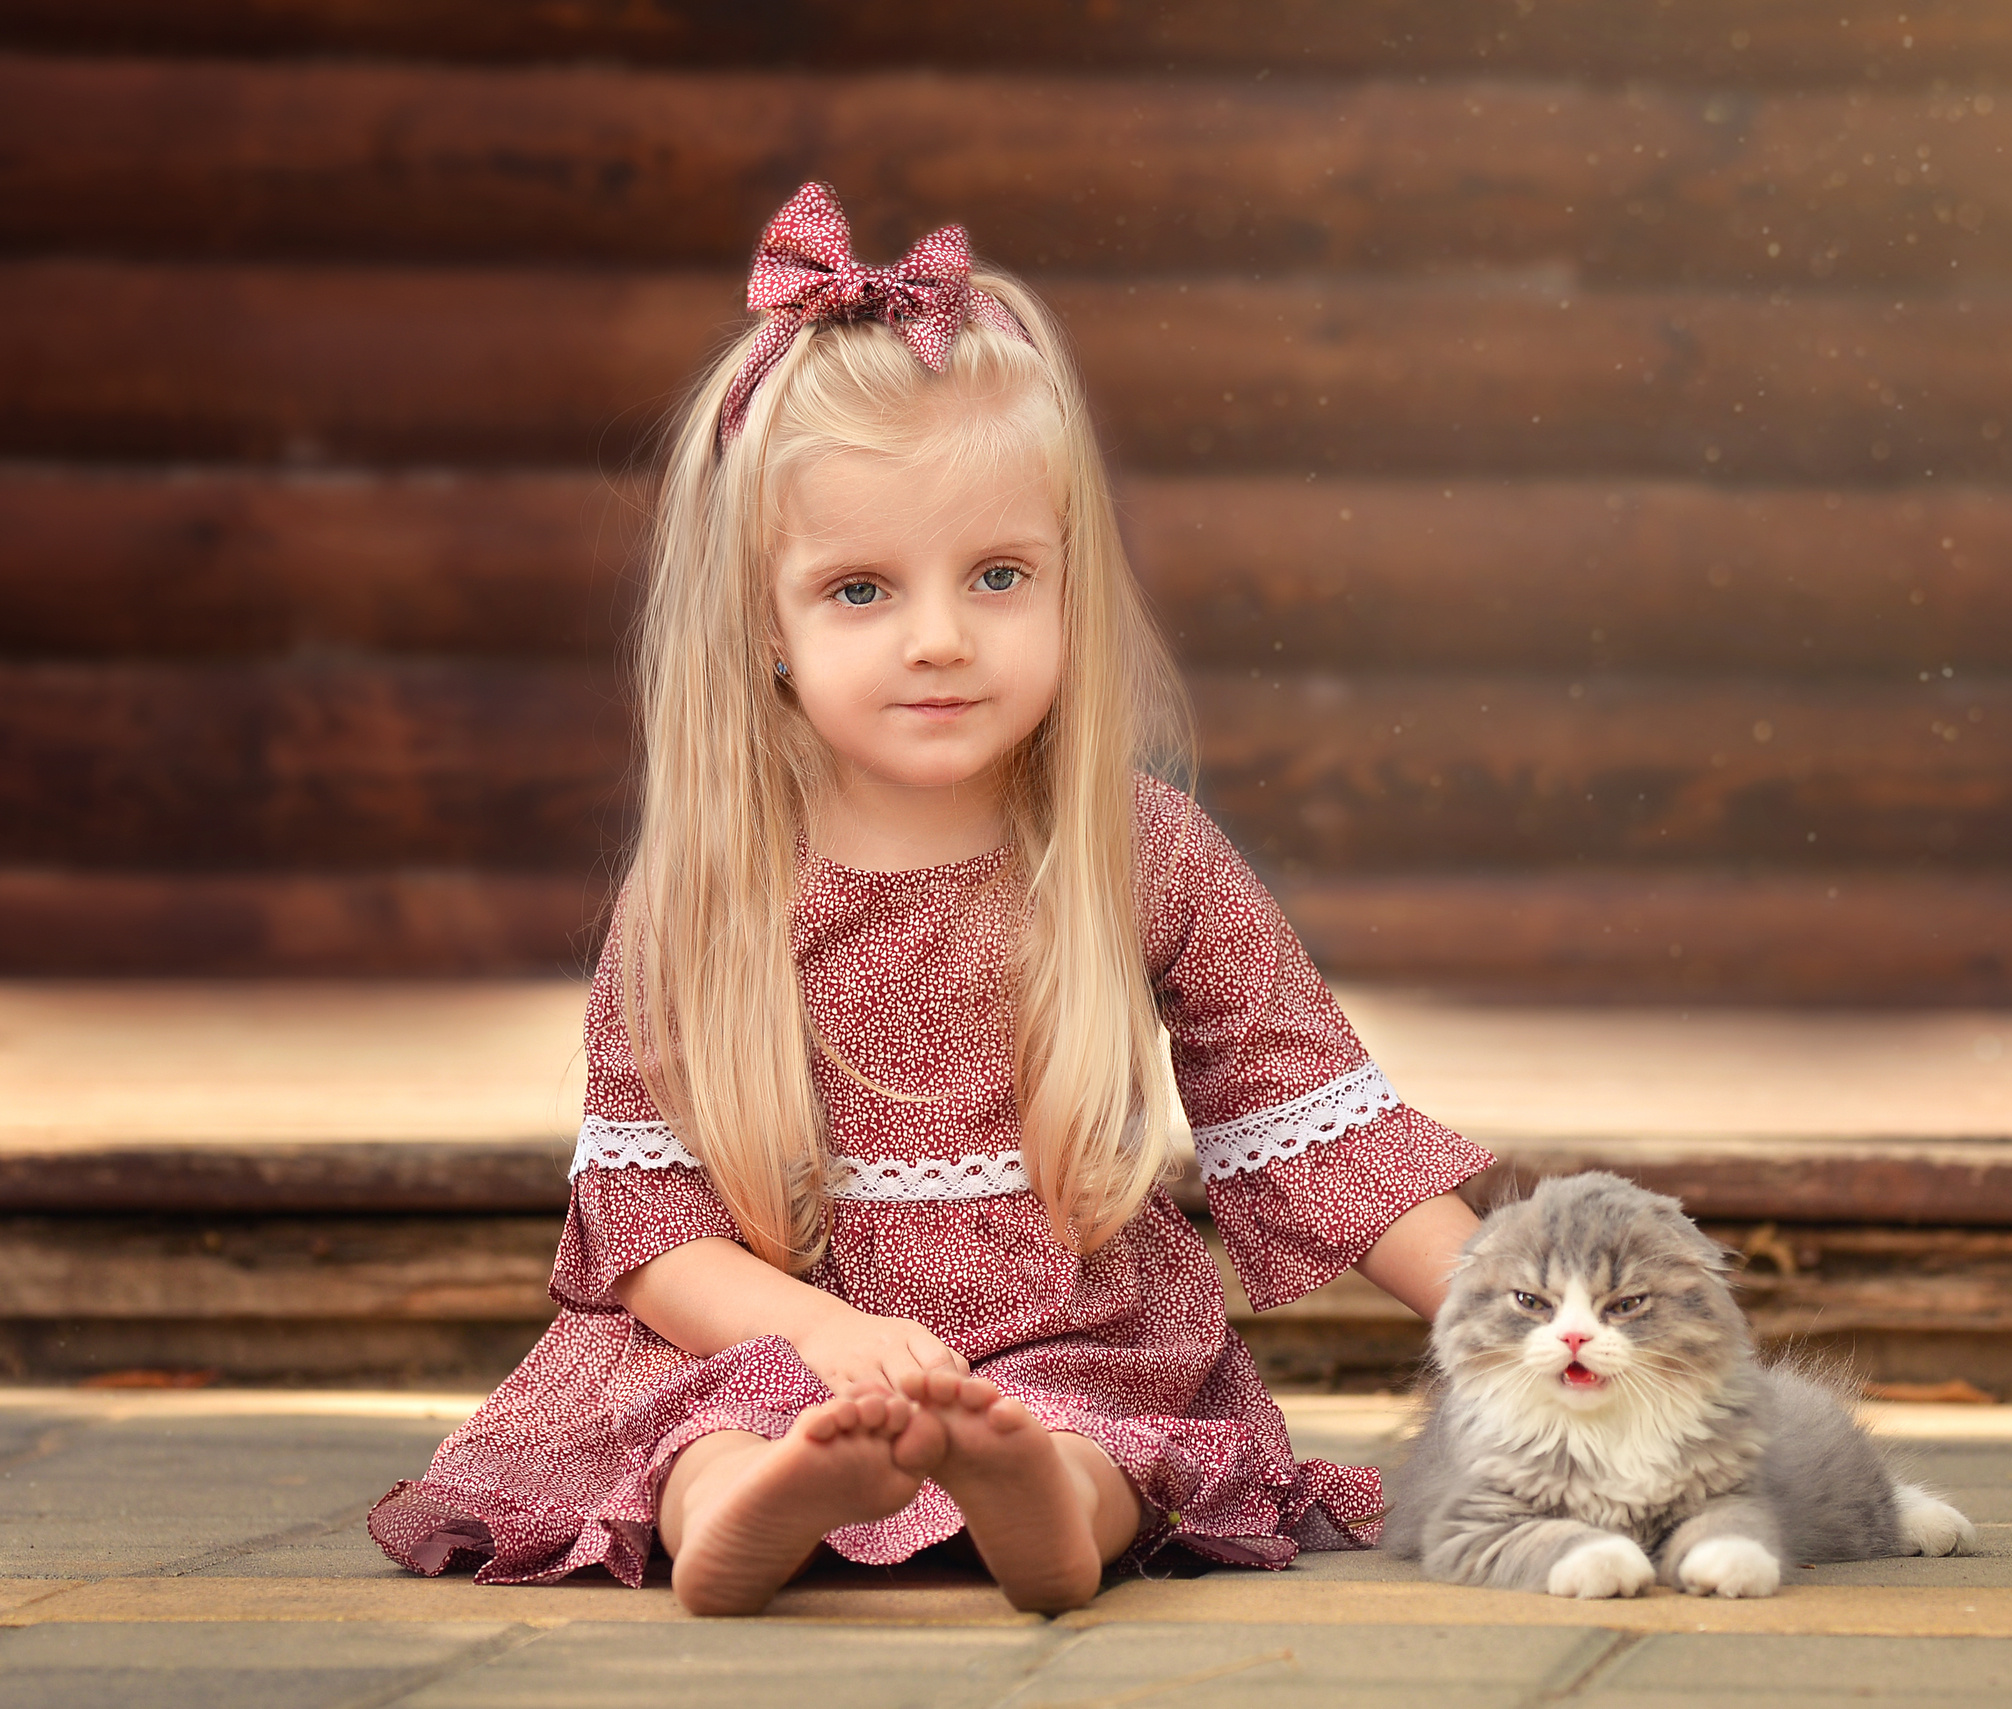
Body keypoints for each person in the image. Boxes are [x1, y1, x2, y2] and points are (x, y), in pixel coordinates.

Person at [368, 184, 1494, 1618]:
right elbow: (648, 1228)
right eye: (861, 590)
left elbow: (1310, 1116)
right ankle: (746, 1507)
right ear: (762, 623)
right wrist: (821, 1336)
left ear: (1072, 585)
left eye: (999, 575)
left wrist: (1524, 1319)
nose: (943, 639)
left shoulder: (1136, 852)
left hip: (1061, 1337)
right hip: (774, 1329)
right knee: (701, 1427)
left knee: (1097, 1438)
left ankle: (1043, 1507)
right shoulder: (712, 884)